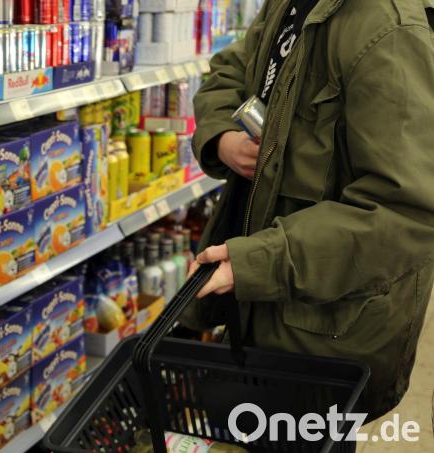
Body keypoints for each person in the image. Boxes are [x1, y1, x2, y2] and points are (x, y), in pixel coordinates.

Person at [185, 0, 434, 420]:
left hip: (325, 334)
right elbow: (229, 70)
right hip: (261, 310)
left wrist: (257, 264)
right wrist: (224, 138)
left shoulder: (390, 29)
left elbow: (405, 213)